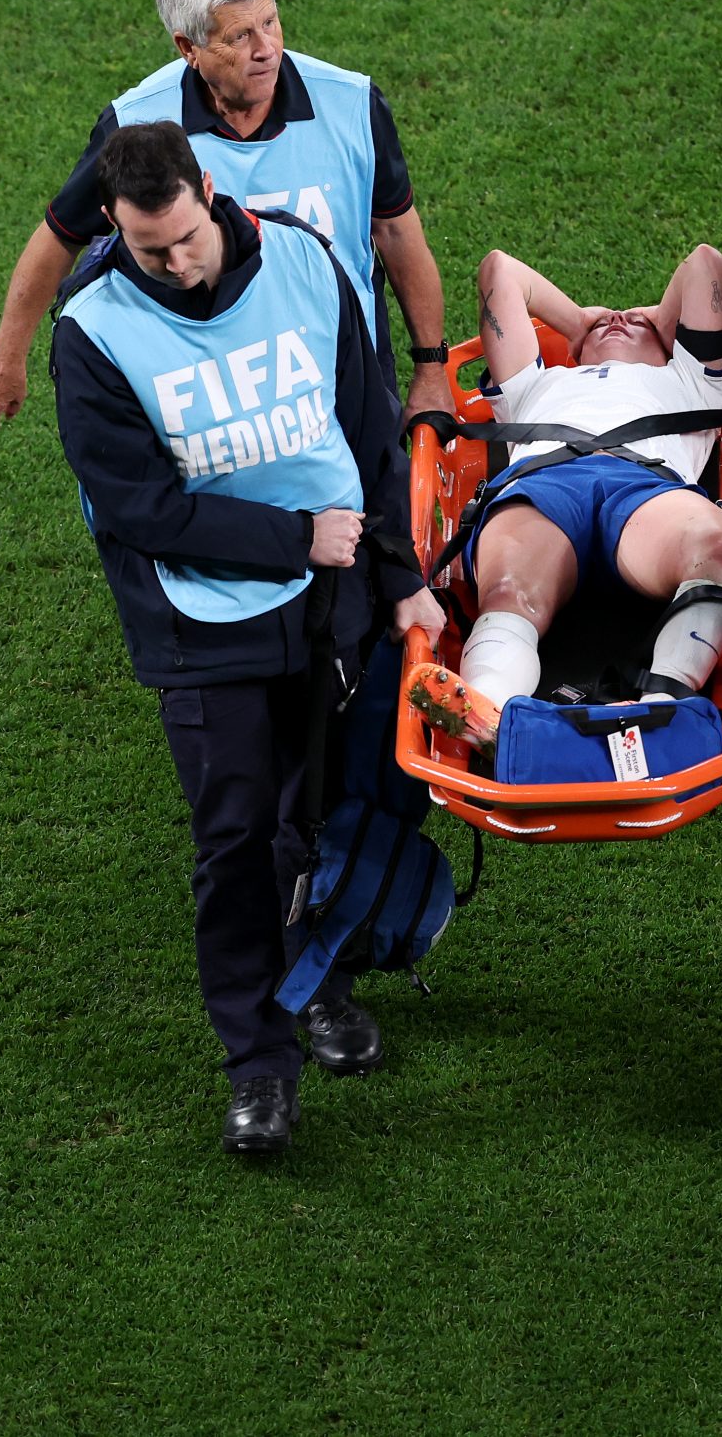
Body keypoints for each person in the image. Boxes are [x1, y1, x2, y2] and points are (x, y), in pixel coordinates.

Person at [52, 122, 445, 1155]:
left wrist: (395, 576)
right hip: (202, 625)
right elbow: (137, 507)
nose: (177, 266)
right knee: (232, 843)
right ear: (114, 227)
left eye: (184, 239)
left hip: (336, 599)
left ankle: (320, 988)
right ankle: (257, 1066)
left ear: (208, 192)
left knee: (321, 818)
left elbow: (366, 429)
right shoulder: (91, 331)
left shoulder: (306, 260)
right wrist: (296, 541)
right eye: (150, 251)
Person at [0, 0, 456, 431]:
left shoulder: (351, 104)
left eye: (270, 22)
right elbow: (61, 235)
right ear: (189, 48)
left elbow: (396, 233)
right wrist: (5, 357)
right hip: (213, 402)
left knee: (378, 506)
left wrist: (431, 368)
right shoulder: (135, 123)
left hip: (347, 377)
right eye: (240, 36)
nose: (267, 50)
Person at [403, 245, 722, 740]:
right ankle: (489, 716)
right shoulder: (535, 384)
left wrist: (656, 320)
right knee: (508, 593)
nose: (619, 320)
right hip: (545, 486)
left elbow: (706, 264)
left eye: (634, 322)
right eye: (608, 322)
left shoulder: (690, 379)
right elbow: (500, 271)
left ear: (670, 344)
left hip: (646, 489)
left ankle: (664, 700)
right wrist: (579, 321)